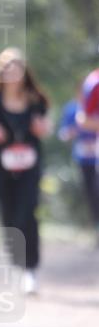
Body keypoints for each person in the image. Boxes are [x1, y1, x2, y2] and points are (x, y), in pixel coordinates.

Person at [0, 48, 51, 294]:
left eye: (17, 68)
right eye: (8, 68)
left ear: (25, 72)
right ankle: (18, 264)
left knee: (27, 212)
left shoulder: (35, 98)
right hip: (3, 169)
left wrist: (42, 127)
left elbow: (47, 123)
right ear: (0, 72)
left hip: (30, 168)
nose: (13, 73)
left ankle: (31, 269)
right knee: (8, 217)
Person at [58, 81, 99, 237]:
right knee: (90, 192)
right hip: (83, 157)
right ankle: (95, 225)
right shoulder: (72, 108)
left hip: (97, 155)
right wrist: (74, 130)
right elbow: (63, 134)